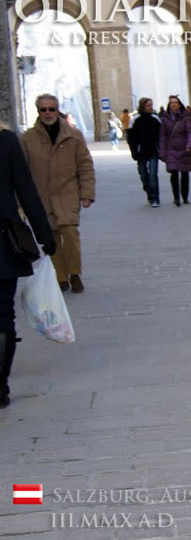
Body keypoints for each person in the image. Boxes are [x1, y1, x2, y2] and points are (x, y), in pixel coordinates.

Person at [1, 121, 57, 408]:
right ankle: (0, 385)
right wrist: (45, 235)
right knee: (2, 313)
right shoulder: (6, 141)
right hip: (3, 243)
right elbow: (26, 191)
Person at [21, 93, 96, 294]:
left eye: (51, 109)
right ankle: (60, 277)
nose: (47, 113)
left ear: (57, 110)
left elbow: (85, 165)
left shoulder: (73, 135)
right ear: (38, 112)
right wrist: (21, 203)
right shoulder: (28, 138)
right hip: (42, 196)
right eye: (43, 110)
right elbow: (21, 172)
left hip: (67, 193)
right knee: (51, 237)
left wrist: (87, 192)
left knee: (70, 232)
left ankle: (74, 274)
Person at [159, 95, 191, 207]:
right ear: (169, 106)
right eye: (171, 103)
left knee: (184, 173)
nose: (173, 104)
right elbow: (162, 136)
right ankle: (176, 197)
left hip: (184, 148)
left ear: (179, 105)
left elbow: (190, 132)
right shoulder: (165, 119)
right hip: (171, 149)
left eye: (175, 102)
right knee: (174, 172)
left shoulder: (186, 118)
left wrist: (189, 145)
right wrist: (162, 151)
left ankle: (185, 196)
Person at [127, 97, 162, 207]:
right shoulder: (135, 119)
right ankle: (148, 191)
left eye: (151, 105)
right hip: (141, 152)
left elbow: (161, 136)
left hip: (153, 151)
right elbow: (130, 137)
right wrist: (134, 151)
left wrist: (161, 149)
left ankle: (154, 198)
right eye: (148, 106)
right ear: (142, 106)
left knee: (152, 175)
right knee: (143, 175)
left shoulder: (156, 119)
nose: (151, 107)